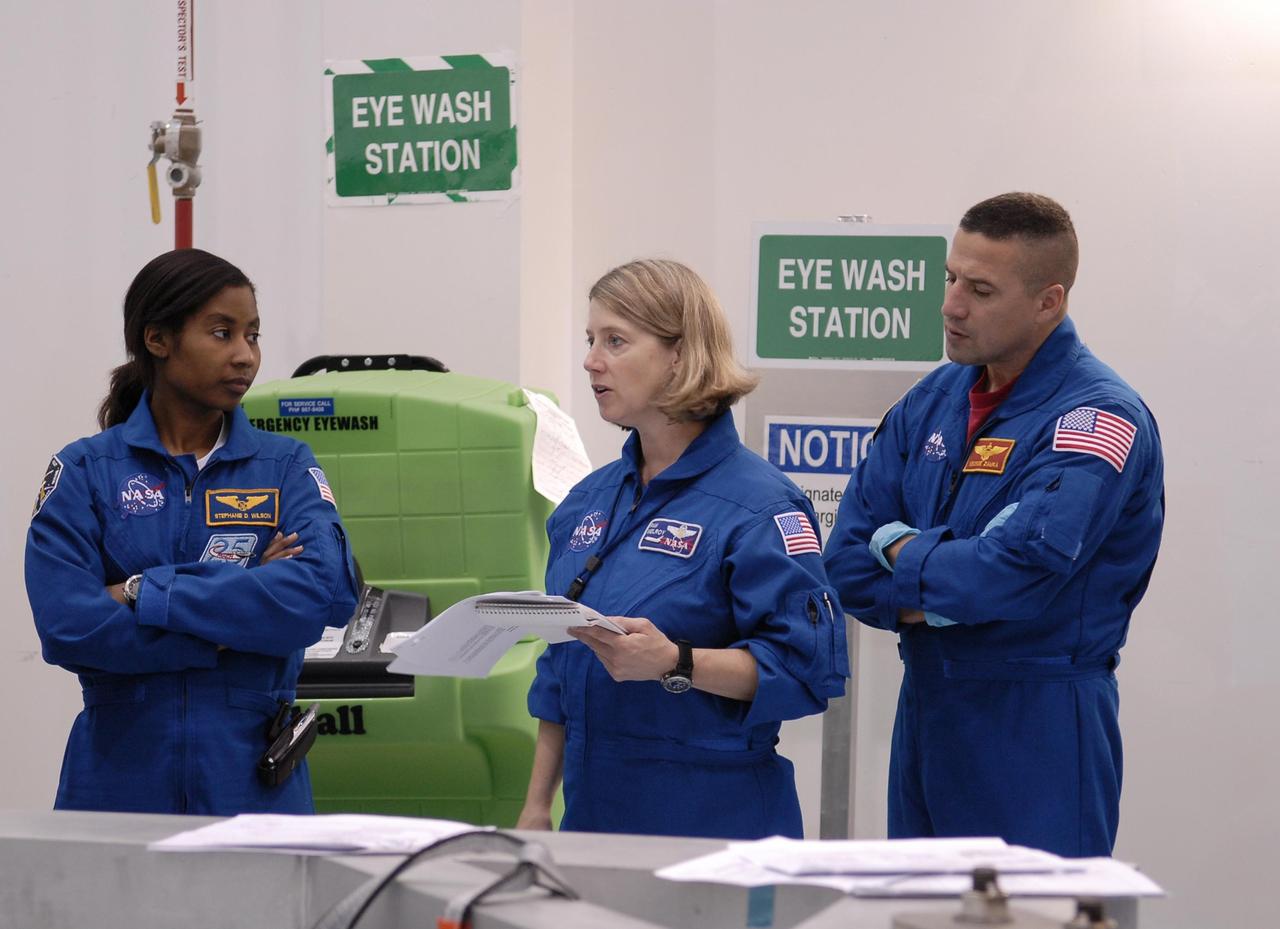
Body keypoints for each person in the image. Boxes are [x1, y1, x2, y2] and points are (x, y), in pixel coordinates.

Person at [823, 193, 1164, 857]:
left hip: (1037, 725)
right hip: (926, 711)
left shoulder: (1096, 418)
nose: (951, 305)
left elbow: (1012, 574)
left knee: (1034, 906)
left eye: (980, 290)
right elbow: (846, 563)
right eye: (951, 278)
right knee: (920, 904)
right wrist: (946, 583)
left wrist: (903, 552)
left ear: (1048, 301)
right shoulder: (931, 401)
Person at [517, 259, 848, 839]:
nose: (591, 360)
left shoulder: (761, 506)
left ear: (680, 354)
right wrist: (537, 806)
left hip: (716, 822)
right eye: (590, 340)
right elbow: (558, 672)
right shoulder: (585, 503)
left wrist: (677, 662)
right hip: (595, 821)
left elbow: (804, 671)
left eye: (615, 340)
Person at [25, 248, 359, 815]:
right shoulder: (85, 470)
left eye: (252, 336)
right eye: (222, 333)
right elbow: (68, 627)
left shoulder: (284, 465)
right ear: (158, 339)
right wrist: (238, 619)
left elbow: (321, 596)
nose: (245, 355)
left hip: (252, 786)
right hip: (115, 782)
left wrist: (143, 591)